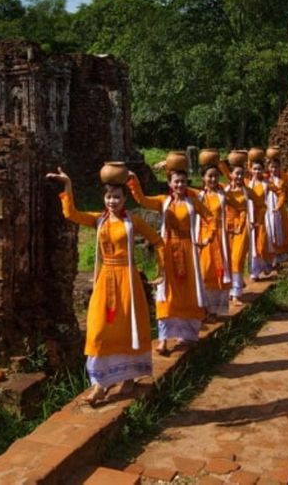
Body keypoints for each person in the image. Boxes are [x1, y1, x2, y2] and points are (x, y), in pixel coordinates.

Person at [47, 166, 161, 406]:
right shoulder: (98, 221)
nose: (112, 201)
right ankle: (101, 382)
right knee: (99, 329)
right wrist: (67, 184)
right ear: (104, 198)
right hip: (105, 278)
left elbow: (158, 242)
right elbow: (71, 214)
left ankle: (128, 377)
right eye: (109, 197)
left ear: (124, 199)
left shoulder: (134, 221)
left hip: (127, 280)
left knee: (127, 328)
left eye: (117, 197)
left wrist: (162, 272)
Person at [127, 165, 207, 356]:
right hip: (168, 249)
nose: (180, 184)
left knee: (188, 291)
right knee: (165, 291)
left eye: (183, 181)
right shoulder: (163, 202)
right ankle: (163, 339)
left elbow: (210, 217)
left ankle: (187, 335)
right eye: (176, 181)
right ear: (170, 184)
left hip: (188, 250)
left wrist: (206, 238)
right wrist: (133, 181)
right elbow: (143, 200)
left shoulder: (193, 201)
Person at [191, 162, 231, 321]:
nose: (213, 179)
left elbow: (241, 203)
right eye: (209, 176)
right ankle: (203, 308)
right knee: (203, 271)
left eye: (215, 176)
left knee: (218, 272)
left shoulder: (223, 195)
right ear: (203, 178)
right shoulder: (197, 196)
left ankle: (215, 310)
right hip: (202, 237)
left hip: (220, 238)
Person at [221, 158, 257, 306]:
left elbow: (261, 205)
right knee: (227, 260)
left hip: (242, 228)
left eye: (242, 174)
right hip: (226, 227)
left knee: (237, 259)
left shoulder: (248, 192)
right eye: (237, 174)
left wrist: (256, 219)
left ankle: (236, 294)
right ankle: (231, 288)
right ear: (231, 175)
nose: (240, 177)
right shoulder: (223, 190)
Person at [245, 156, 281, 280]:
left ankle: (265, 265)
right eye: (255, 169)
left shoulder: (267, 184)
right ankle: (254, 271)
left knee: (263, 242)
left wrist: (279, 205)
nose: (257, 172)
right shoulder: (247, 183)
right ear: (251, 170)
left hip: (262, 217)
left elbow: (280, 192)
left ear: (263, 170)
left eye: (259, 169)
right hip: (250, 217)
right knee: (252, 244)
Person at [265, 155, 288, 265]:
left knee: (282, 229)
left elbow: (286, 194)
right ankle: (273, 255)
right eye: (272, 167)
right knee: (270, 231)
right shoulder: (265, 179)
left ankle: (283, 252)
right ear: (268, 168)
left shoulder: (283, 180)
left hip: (280, 209)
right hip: (268, 208)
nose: (274, 169)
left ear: (279, 167)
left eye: (276, 167)